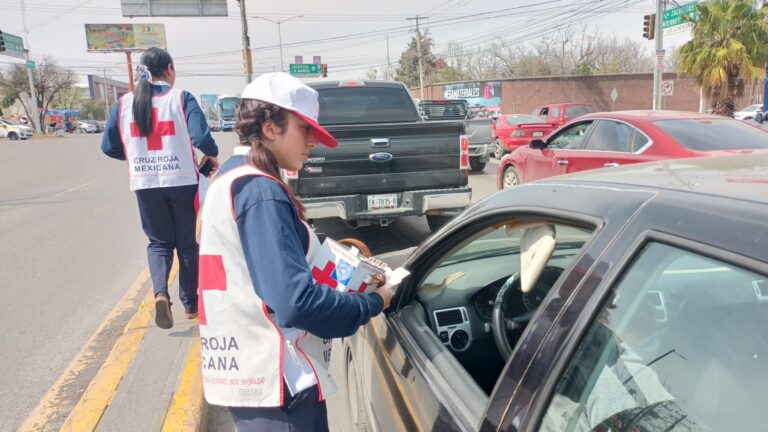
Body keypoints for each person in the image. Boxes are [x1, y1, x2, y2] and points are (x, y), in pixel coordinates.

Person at [197, 72, 393, 431]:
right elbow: (296, 302)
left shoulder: (229, 178)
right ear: (270, 127)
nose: (312, 144)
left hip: (252, 377)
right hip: (278, 383)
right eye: (306, 131)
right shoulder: (260, 191)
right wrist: (376, 301)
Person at [100, 47, 218, 329]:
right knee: (188, 244)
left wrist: (137, 157)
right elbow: (201, 137)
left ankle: (160, 294)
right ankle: (191, 305)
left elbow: (109, 146)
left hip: (145, 183)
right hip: (182, 181)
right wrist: (211, 154)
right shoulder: (181, 98)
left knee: (158, 243)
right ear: (169, 70)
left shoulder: (124, 103)